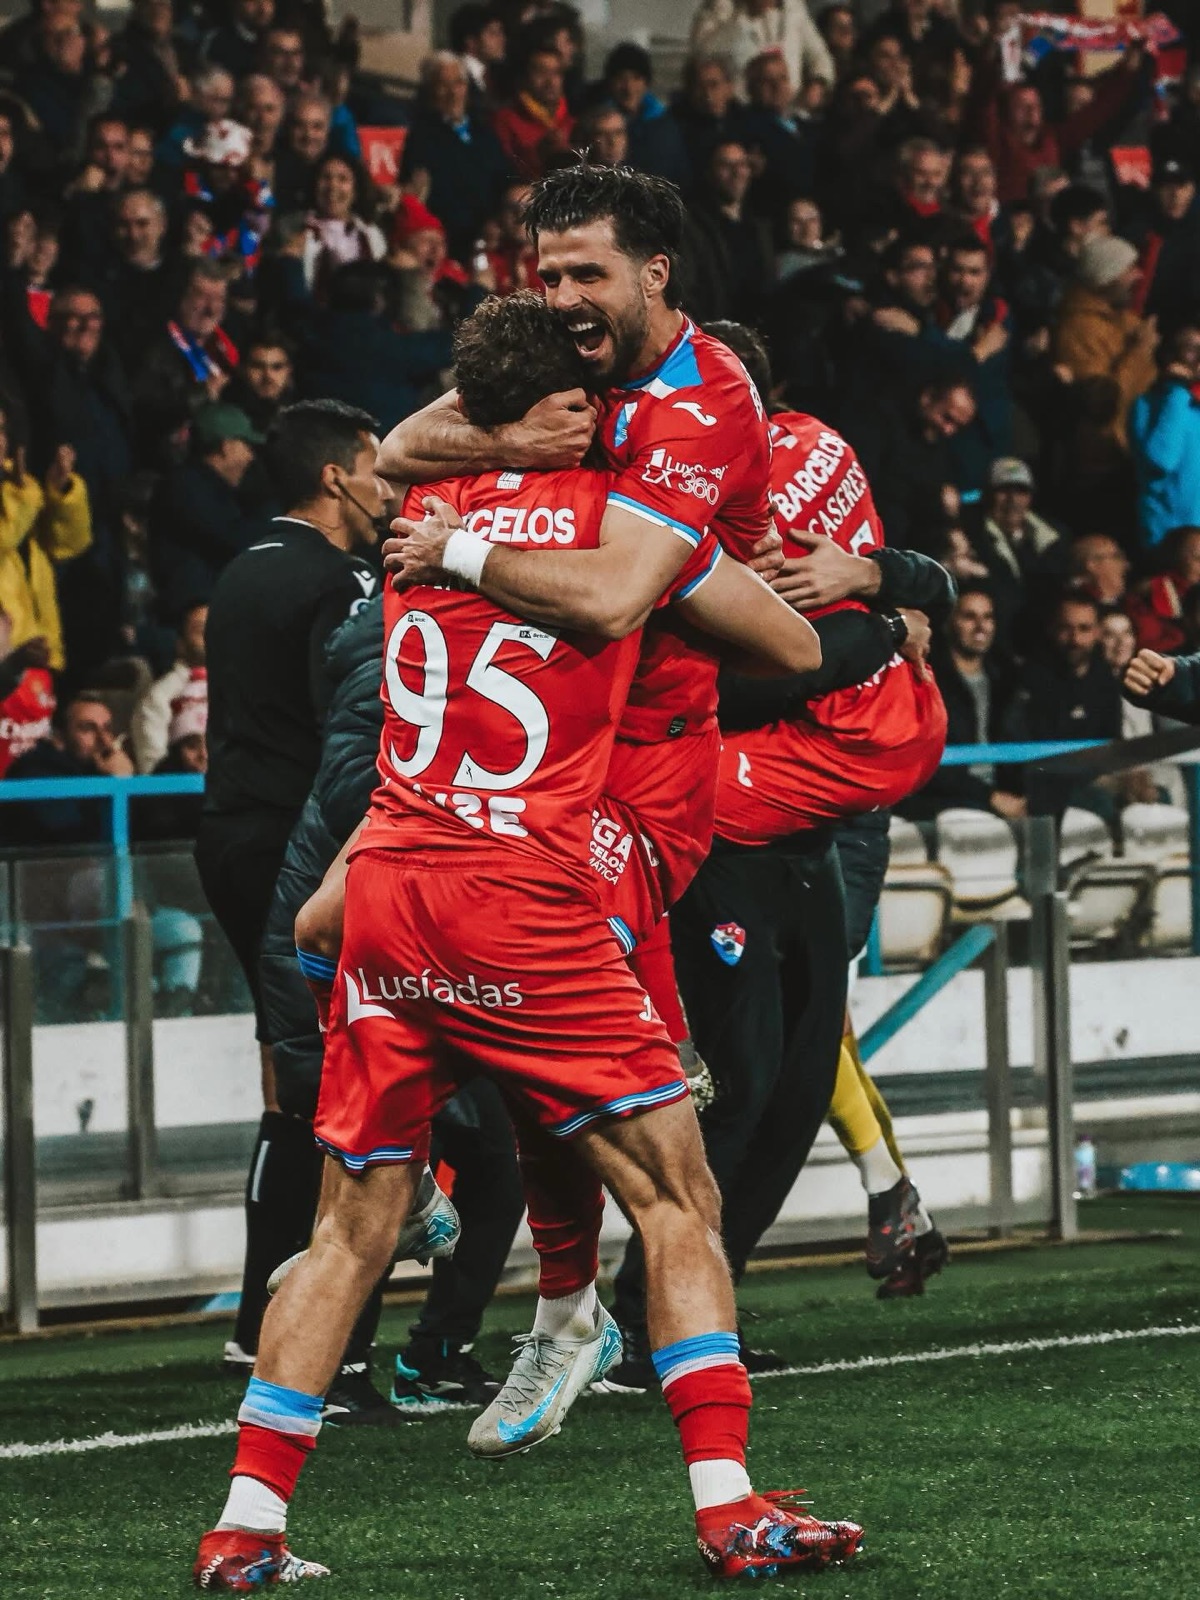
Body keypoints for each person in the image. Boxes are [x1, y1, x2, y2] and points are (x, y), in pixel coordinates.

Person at [193, 288, 861, 1592]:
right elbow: (791, 645)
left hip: (392, 885)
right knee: (677, 1197)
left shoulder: (410, 518)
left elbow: (411, 451)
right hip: (520, 893)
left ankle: (246, 1526)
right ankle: (725, 1503)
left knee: (348, 1229)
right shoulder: (620, 523)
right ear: (579, 408)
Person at [194, 400, 384, 1379]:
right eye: (377, 465)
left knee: (287, 1078)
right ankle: (319, 1337)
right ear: (336, 476)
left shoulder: (241, 569)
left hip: (227, 830)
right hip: (297, 845)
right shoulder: (342, 580)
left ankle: (256, 1319)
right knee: (341, 1083)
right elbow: (342, 725)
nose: (390, 485)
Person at [906, 582, 1021, 820]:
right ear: (949, 623)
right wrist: (989, 796)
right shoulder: (927, 680)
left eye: (987, 617)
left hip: (1003, 795)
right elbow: (926, 763)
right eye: (969, 617)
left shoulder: (1006, 680)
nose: (980, 626)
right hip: (950, 800)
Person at [147, 403, 265, 619]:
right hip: (193, 616)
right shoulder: (187, 488)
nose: (251, 456)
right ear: (226, 446)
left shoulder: (207, 487)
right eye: (247, 445)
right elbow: (235, 539)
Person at [400, 51, 511, 263]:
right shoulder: (422, 137)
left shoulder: (484, 132)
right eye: (443, 85)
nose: (453, 93)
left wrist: (497, 220)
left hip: (493, 236)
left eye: (458, 83)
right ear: (431, 91)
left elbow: (504, 178)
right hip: (451, 242)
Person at [1053, 234, 1158, 451]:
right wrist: (1140, 351)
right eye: (1128, 269)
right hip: (1107, 450)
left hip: (1137, 441)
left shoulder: (1122, 318)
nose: (1138, 275)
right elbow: (1102, 402)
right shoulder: (1080, 330)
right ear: (1106, 279)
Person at [1129, 323, 1200, 549]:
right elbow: (1161, 461)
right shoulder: (1147, 405)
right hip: (1168, 540)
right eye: (1190, 348)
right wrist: (1178, 390)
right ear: (1169, 355)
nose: (1197, 357)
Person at [129, 601, 207, 773]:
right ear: (180, 645)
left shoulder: (241, 689)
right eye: (201, 630)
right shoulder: (159, 697)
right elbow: (155, 774)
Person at [492, 42, 574, 179]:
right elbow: (503, 173)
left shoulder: (572, 120)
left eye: (556, 73)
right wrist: (539, 153)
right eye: (541, 72)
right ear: (524, 77)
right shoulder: (505, 120)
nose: (550, 82)